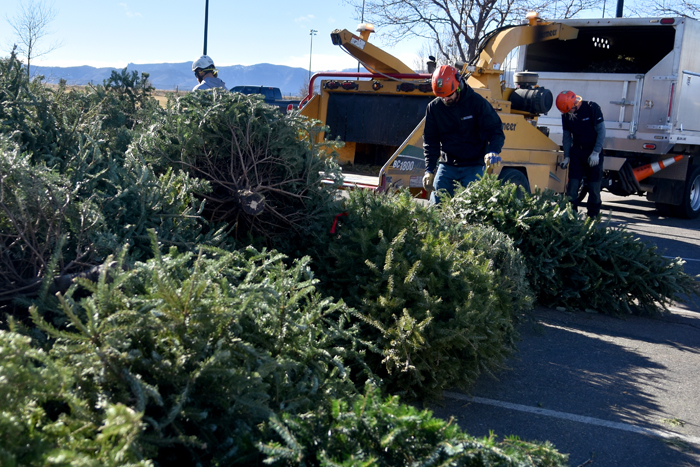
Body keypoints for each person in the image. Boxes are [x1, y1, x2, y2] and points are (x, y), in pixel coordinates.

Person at [422, 65, 505, 205]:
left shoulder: (477, 103)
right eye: (441, 96)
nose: (445, 99)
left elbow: (495, 130)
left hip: (473, 165)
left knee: (470, 207)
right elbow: (431, 141)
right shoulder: (434, 108)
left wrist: (493, 151)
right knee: (436, 206)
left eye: (448, 95)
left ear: (458, 86)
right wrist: (429, 169)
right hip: (447, 164)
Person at [556, 90, 606, 218]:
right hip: (577, 151)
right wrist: (567, 156)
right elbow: (567, 137)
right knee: (572, 186)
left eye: (570, 110)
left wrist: (596, 152)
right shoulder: (566, 115)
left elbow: (601, 132)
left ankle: (593, 217)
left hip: (593, 150)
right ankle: (571, 216)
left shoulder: (592, 108)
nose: (569, 114)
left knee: (594, 187)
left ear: (575, 104)